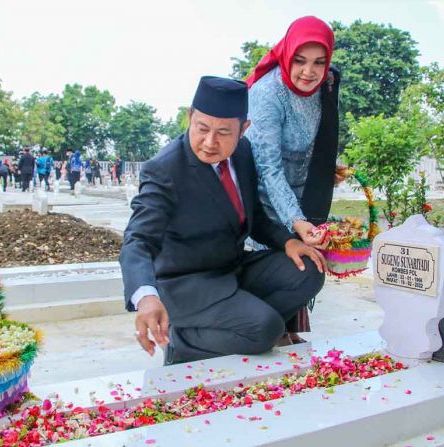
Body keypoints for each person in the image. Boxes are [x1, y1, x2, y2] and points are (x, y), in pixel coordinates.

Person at [120, 76, 326, 365]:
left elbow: (254, 217)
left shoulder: (242, 154)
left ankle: (238, 322)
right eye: (202, 128)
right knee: (265, 329)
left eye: (223, 132)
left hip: (232, 268)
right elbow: (138, 240)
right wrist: (145, 297)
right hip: (187, 283)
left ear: (244, 129)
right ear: (190, 117)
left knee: (309, 269)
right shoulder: (165, 170)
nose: (209, 142)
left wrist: (289, 241)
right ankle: (185, 341)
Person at [245, 16, 348, 344]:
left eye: (319, 62)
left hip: (302, 196)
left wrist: (323, 169)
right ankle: (263, 329)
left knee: (307, 263)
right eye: (300, 61)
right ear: (287, 55)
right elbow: (268, 168)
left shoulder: (327, 84)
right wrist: (296, 218)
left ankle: (287, 329)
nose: (309, 72)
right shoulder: (267, 93)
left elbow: (317, 140)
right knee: (281, 259)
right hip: (264, 197)